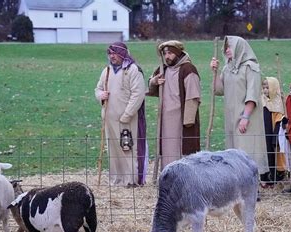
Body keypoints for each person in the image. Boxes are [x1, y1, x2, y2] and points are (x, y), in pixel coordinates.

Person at [210, 36, 269, 183]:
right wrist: (215, 72)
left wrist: (245, 117)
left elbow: (252, 94)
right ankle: (239, 188)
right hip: (231, 116)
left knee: (247, 150)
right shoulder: (227, 68)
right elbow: (218, 90)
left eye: (230, 47)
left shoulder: (251, 68)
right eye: (226, 48)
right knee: (234, 151)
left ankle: (252, 188)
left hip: (247, 116)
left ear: (239, 48)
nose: (227, 50)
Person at [95, 42, 148, 187]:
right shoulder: (106, 71)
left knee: (128, 149)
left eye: (115, 53)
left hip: (128, 120)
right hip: (109, 119)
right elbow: (98, 89)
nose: (112, 56)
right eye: (110, 53)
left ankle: (131, 180)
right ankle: (116, 180)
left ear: (123, 54)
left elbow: (138, 94)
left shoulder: (133, 70)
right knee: (113, 150)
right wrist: (101, 95)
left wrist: (127, 114)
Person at [147, 40, 202, 170]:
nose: (167, 57)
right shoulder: (163, 69)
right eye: (165, 53)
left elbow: (192, 96)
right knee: (167, 149)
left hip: (180, 118)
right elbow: (151, 87)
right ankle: (168, 174)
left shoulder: (188, 69)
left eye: (170, 53)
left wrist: (188, 120)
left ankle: (183, 175)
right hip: (165, 119)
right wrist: (154, 82)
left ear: (178, 53)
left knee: (182, 148)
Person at [261, 77, 287, 187]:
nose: (265, 90)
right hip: (262, 133)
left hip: (272, 134)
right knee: (264, 154)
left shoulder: (278, 103)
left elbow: (280, 118)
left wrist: (275, 136)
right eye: (264, 88)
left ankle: (275, 177)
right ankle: (264, 177)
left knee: (274, 155)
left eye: (268, 87)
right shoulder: (262, 101)